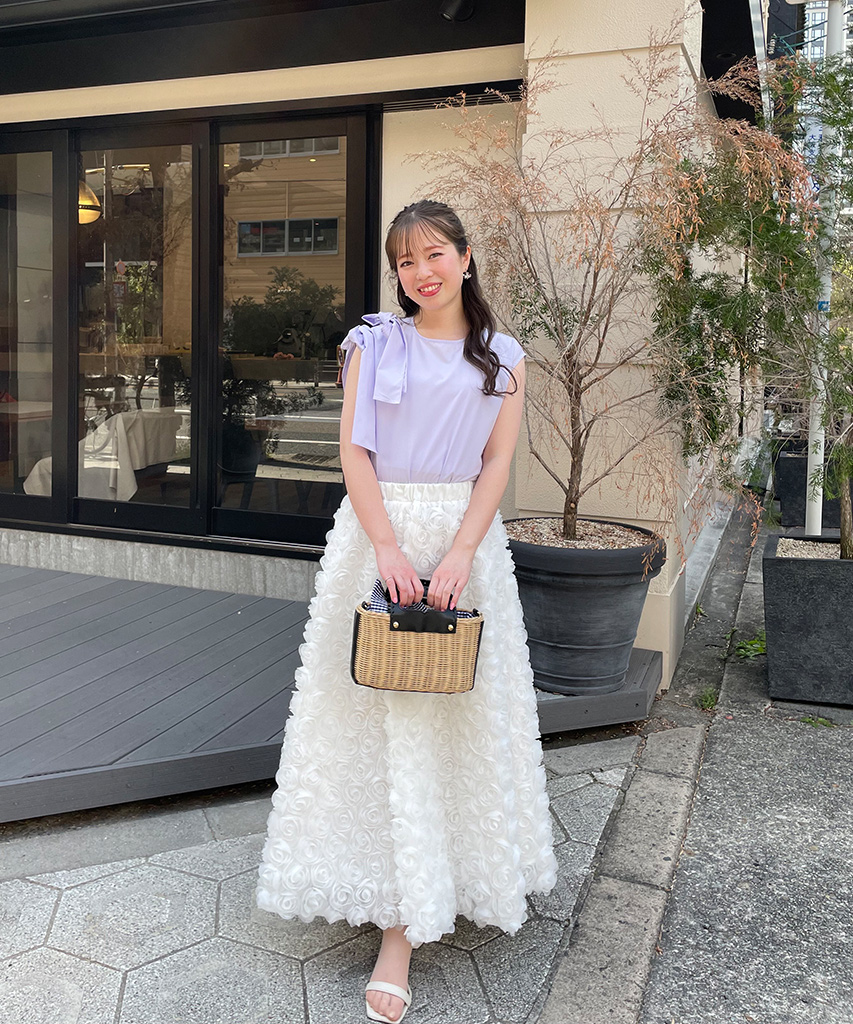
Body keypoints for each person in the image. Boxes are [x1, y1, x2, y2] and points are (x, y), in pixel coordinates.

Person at [256, 199, 558, 1024]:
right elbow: (352, 450)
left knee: (452, 720)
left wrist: (458, 552)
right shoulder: (373, 344)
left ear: (465, 256)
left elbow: (496, 463)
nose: (420, 272)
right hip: (375, 537)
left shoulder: (503, 357)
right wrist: (387, 547)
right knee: (368, 723)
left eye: (434, 254)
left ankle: (431, 894)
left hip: (465, 543)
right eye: (405, 261)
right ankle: (389, 908)